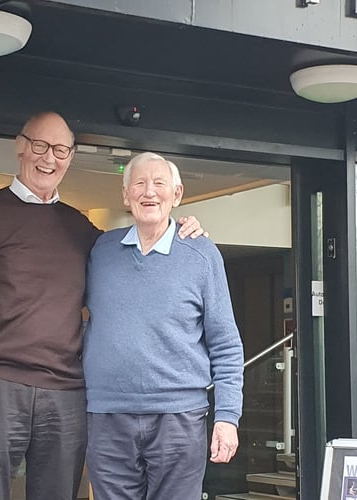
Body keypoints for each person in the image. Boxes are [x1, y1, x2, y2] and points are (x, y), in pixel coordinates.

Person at [0, 112, 205, 500]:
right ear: (20, 147)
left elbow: (140, 247)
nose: (49, 158)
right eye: (40, 145)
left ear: (71, 156)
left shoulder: (82, 231)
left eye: (60, 149)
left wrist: (180, 228)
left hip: (66, 392)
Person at [83, 152, 244, 500]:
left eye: (159, 183)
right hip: (108, 415)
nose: (149, 192)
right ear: (125, 195)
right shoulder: (101, 251)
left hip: (179, 418)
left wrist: (228, 417)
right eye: (139, 183)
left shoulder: (201, 254)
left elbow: (226, 344)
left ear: (177, 194)